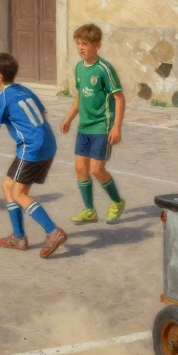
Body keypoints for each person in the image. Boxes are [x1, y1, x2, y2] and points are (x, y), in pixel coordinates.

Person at [0, 53, 67, 258]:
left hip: (31, 148)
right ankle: (18, 237)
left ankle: (53, 232)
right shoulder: (24, 90)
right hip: (47, 144)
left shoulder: (2, 98)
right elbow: (42, 114)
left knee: (19, 193)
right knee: (8, 185)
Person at [60, 24, 127, 225]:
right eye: (78, 44)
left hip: (102, 127)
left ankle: (117, 201)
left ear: (97, 46)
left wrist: (116, 127)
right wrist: (69, 118)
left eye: (85, 44)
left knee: (97, 169)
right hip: (84, 127)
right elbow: (80, 95)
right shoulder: (79, 68)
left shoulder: (104, 69)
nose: (81, 48)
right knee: (80, 167)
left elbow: (119, 98)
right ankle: (89, 210)